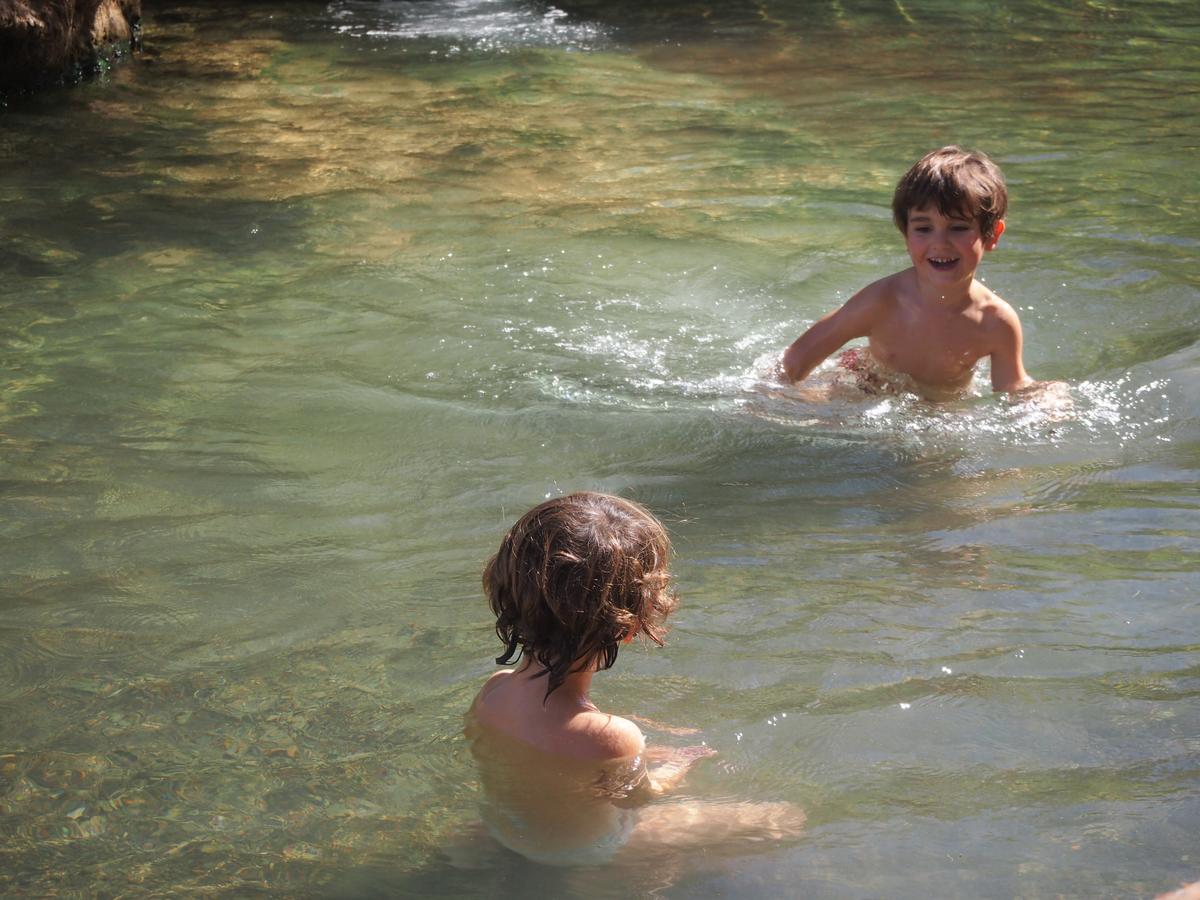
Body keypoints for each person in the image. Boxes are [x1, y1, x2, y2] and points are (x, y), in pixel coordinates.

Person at [464, 491, 804, 868]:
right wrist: (677, 764)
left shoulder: (493, 691)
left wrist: (636, 753)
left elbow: (543, 753)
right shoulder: (615, 737)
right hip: (582, 850)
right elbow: (640, 797)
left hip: (503, 830)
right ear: (629, 627)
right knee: (783, 820)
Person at [781, 146, 1043, 401]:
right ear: (905, 234)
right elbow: (794, 360)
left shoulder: (995, 321)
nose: (940, 243)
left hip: (940, 408)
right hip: (867, 392)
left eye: (958, 228)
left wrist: (1043, 397)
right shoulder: (881, 302)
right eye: (923, 229)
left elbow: (1012, 386)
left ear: (992, 235)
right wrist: (788, 399)